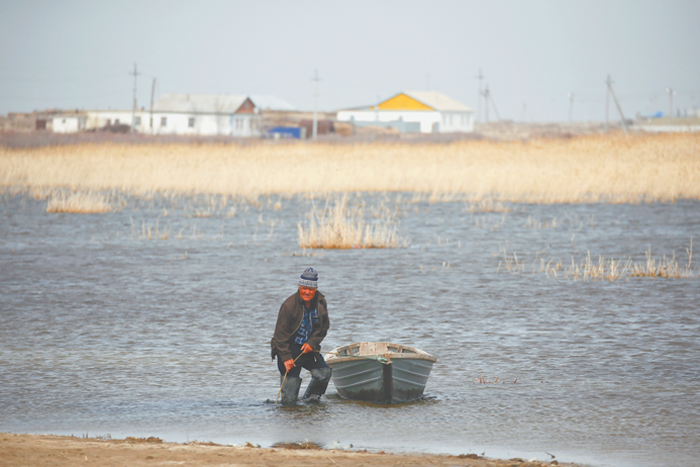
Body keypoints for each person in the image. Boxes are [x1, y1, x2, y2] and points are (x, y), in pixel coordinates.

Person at [271, 267, 332, 404]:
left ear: (315, 289)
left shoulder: (321, 302)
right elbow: (280, 335)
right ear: (299, 287)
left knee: (323, 373)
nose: (307, 292)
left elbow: (323, 328)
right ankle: (291, 409)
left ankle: (310, 403)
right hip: (288, 349)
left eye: (311, 289)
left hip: (309, 349)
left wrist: (312, 343)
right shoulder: (289, 305)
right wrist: (286, 358)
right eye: (304, 288)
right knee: (289, 403)